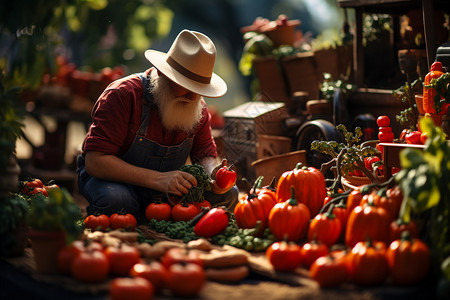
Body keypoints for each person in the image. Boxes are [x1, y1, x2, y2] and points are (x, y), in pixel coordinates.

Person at [76, 29, 239, 221]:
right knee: (118, 201)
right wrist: (159, 179)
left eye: (198, 89)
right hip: (115, 182)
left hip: (165, 191)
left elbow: (205, 154)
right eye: (186, 86)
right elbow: (95, 162)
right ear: (164, 73)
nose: (192, 96)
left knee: (230, 194)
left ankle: (149, 214)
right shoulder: (123, 95)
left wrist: (214, 171)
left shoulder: (197, 107)